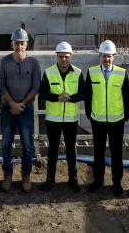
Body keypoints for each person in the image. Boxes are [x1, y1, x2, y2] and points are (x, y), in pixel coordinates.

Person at [85, 40, 129, 196]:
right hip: (97, 120)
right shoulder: (91, 72)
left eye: (109, 56)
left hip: (116, 121)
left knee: (116, 152)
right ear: (100, 56)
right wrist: (88, 114)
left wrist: (126, 116)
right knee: (98, 152)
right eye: (104, 56)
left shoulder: (122, 73)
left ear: (114, 57)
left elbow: (126, 96)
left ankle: (117, 182)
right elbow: (88, 95)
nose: (107, 60)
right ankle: (98, 181)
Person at [0, 28, 41, 192]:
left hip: (26, 111)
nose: (19, 46)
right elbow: (1, 86)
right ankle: (7, 174)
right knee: (6, 144)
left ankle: (26, 175)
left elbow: (36, 86)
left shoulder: (33, 63)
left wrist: (22, 104)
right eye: (16, 43)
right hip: (7, 110)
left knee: (27, 145)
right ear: (12, 44)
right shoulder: (4, 62)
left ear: (26, 45)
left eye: (22, 43)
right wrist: (12, 104)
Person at [39, 42, 85, 193]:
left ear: (70, 56)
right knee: (52, 150)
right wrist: (57, 97)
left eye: (66, 57)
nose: (64, 60)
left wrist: (71, 98)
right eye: (61, 57)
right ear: (57, 57)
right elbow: (43, 94)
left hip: (71, 119)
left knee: (72, 149)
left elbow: (84, 94)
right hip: (53, 119)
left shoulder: (78, 73)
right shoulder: (48, 72)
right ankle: (50, 179)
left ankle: (73, 179)